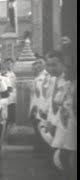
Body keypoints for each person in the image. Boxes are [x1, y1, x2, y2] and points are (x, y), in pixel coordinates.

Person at [44, 51, 76, 180]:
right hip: (60, 122)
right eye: (49, 65)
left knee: (65, 157)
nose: (50, 68)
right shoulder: (54, 79)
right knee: (60, 155)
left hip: (68, 123)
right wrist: (50, 121)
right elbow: (51, 101)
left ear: (64, 64)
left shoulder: (69, 80)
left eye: (54, 65)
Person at [2, 58, 17, 139]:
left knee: (13, 117)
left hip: (14, 98)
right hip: (6, 98)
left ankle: (11, 134)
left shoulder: (16, 74)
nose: (9, 65)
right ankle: (4, 135)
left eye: (10, 63)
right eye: (7, 63)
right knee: (6, 117)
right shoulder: (3, 75)